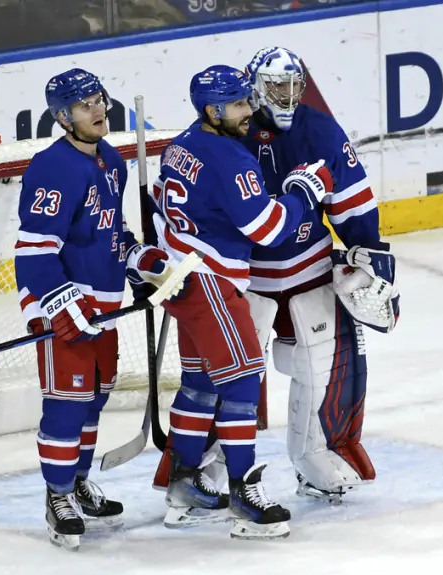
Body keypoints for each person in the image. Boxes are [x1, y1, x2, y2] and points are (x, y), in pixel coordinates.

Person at [136, 64, 335, 539]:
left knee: (200, 384)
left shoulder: (180, 145)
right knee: (245, 381)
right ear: (214, 110)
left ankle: (185, 485)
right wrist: (303, 194)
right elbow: (266, 229)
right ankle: (244, 495)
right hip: (212, 282)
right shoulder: (231, 157)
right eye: (241, 104)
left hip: (180, 280)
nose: (251, 111)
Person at [240, 46, 400, 503]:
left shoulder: (319, 129)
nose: (287, 96)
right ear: (255, 87)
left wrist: (368, 258)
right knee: (234, 377)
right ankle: (213, 469)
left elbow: (352, 199)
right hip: (247, 278)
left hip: (308, 266)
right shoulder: (234, 130)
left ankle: (312, 455)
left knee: (317, 366)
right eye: (276, 86)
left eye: (294, 85)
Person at [16, 68, 145, 551]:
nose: (97, 110)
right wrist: (58, 301)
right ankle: (57, 494)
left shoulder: (112, 159)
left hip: (103, 308)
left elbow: (112, 231)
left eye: (98, 99)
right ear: (62, 117)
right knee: (67, 406)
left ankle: (79, 481)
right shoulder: (52, 168)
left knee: (95, 398)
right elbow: (33, 251)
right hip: (63, 308)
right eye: (83, 104)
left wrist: (136, 258)